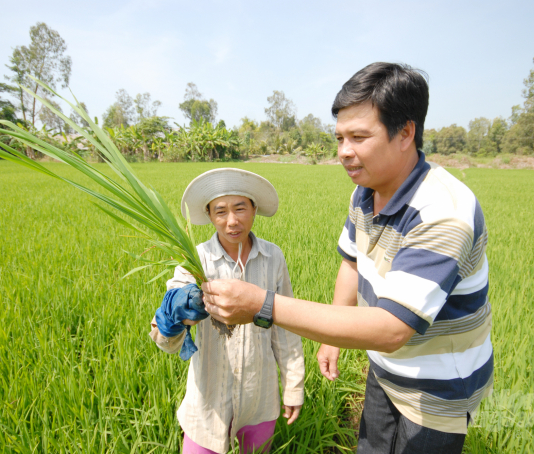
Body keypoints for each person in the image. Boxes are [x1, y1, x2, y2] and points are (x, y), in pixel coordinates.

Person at [201, 63, 493, 454]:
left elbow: (391, 328)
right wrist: (332, 340)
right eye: (339, 137)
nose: (343, 152)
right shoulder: (366, 191)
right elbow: (352, 262)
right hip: (386, 368)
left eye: (358, 137)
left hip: (437, 389)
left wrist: (260, 304)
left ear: (405, 132)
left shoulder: (443, 213)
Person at [149, 168, 305, 454]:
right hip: (208, 403)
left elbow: (285, 327)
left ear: (255, 209)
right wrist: (176, 316)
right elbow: (166, 342)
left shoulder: (273, 258)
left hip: (259, 397)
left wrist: (293, 385)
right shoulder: (195, 263)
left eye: (240, 208)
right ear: (209, 215)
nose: (232, 221)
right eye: (220, 211)